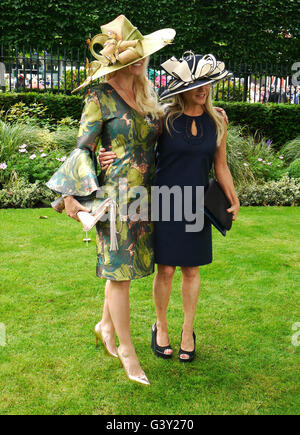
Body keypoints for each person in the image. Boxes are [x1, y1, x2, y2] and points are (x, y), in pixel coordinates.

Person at [46, 15, 176, 386]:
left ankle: (105, 325)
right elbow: (81, 149)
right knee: (118, 274)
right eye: (130, 57)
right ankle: (127, 351)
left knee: (125, 272)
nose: (138, 62)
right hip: (115, 199)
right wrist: (71, 196)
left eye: (141, 56)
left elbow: (161, 135)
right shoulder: (99, 96)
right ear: (116, 61)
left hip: (146, 197)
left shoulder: (146, 92)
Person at [99, 52, 240, 363]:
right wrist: (105, 156)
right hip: (164, 202)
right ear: (183, 89)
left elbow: (221, 166)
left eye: (207, 85)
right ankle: (160, 326)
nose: (203, 90)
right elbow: (136, 146)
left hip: (196, 204)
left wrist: (233, 196)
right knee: (165, 270)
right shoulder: (164, 117)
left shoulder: (218, 120)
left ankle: (187, 330)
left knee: (191, 270)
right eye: (197, 85)